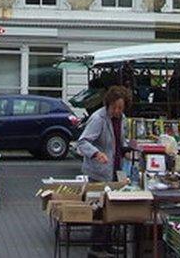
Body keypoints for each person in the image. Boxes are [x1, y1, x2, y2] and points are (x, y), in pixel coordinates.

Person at [75, 86, 130, 258]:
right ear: (108, 104)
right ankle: (96, 247)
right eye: (115, 107)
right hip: (99, 172)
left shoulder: (123, 119)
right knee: (99, 209)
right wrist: (96, 153)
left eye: (121, 108)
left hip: (115, 170)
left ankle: (108, 244)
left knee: (112, 208)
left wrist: (126, 150)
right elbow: (82, 142)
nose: (117, 111)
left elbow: (121, 141)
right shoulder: (98, 118)